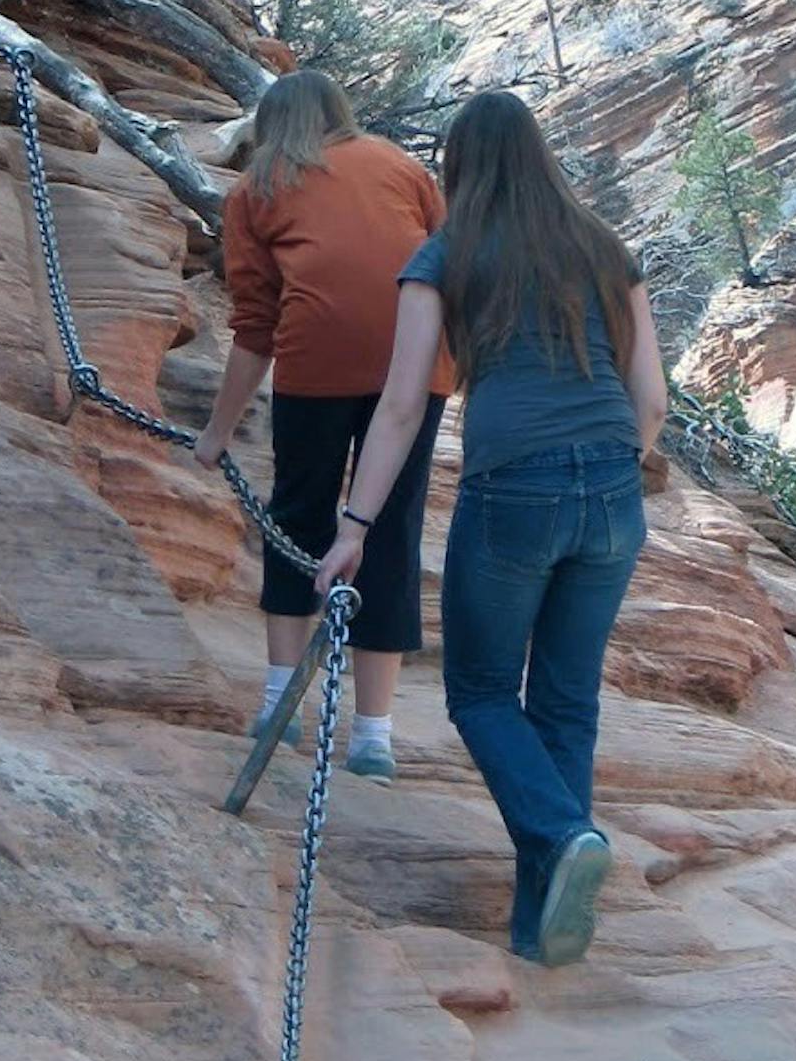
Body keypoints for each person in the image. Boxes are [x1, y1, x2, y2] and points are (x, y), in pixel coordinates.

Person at [316, 90, 666, 965]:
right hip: (615, 488)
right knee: (564, 701)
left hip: (514, 484)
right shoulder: (602, 249)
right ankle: (542, 923)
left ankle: (562, 835)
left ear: (460, 167)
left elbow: (401, 406)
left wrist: (354, 524)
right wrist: (617, 470)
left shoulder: (444, 255)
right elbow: (651, 399)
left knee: (478, 692)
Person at [193, 71, 452, 784]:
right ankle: (373, 734)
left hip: (316, 367)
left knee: (298, 518)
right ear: (342, 115)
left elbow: (253, 327)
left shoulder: (256, 189)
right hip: (418, 363)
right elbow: (449, 260)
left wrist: (217, 434)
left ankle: (282, 701)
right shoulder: (400, 166)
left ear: (270, 124)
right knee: (389, 532)